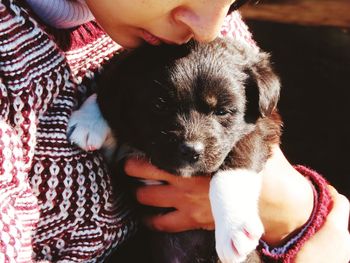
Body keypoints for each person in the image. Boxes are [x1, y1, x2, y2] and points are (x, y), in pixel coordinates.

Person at [0, 0, 348, 262]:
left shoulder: (208, 29)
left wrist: (293, 214)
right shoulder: (12, 71)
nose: (209, 27)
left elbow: (268, 149)